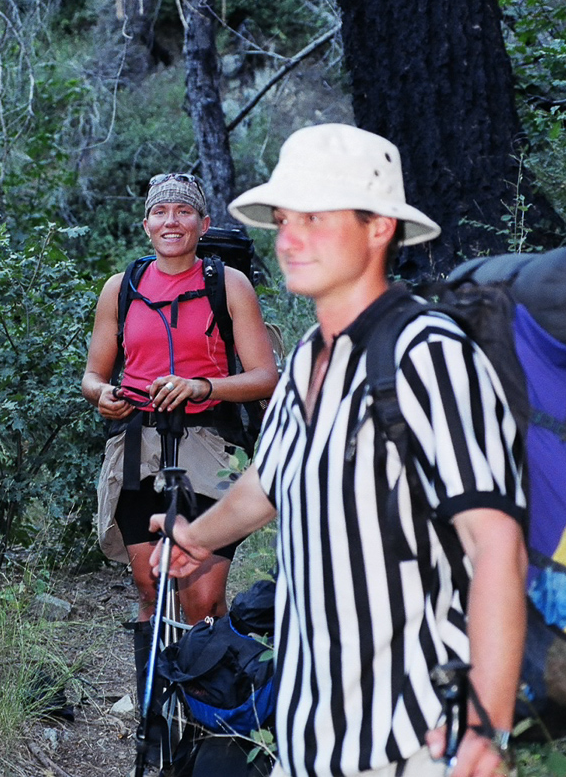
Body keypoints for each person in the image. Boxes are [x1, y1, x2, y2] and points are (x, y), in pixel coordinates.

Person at [151, 124, 528, 777]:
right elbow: (268, 482)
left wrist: (484, 725)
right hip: (309, 730)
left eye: (316, 218)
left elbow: (496, 546)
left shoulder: (427, 355)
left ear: (380, 228)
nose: (290, 238)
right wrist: (196, 539)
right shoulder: (308, 362)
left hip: (406, 737)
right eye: (285, 218)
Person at [80, 172, 279, 707]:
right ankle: (155, 718)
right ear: (146, 224)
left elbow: (265, 376)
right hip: (138, 446)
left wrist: (202, 385)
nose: (172, 221)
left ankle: (207, 720)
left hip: (209, 446)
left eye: (184, 212)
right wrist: (104, 395)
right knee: (148, 587)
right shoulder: (120, 288)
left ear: (202, 224)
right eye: (161, 212)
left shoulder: (229, 284)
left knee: (202, 595)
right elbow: (92, 375)